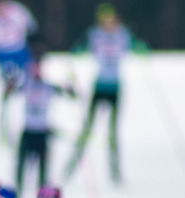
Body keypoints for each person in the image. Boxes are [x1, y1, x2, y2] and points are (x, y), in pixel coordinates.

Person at [62, 3, 148, 184]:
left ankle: (115, 173)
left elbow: (142, 51)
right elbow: (77, 51)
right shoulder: (94, 34)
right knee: (87, 130)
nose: (108, 24)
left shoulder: (123, 34)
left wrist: (139, 43)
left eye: (111, 20)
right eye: (104, 20)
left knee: (113, 133)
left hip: (115, 88)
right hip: (99, 87)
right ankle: (69, 170)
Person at [10, 60, 77, 198]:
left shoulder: (48, 86)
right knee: (20, 170)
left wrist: (69, 86)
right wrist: (9, 84)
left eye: (38, 69)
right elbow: (9, 93)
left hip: (42, 133)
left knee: (43, 173)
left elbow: (70, 95)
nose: (36, 72)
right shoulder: (26, 84)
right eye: (33, 69)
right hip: (28, 132)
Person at [0, 1, 40, 97]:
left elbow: (30, 25)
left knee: (29, 72)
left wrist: (34, 40)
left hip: (19, 48)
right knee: (9, 76)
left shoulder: (16, 10)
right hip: (2, 52)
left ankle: (31, 93)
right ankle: (9, 95)